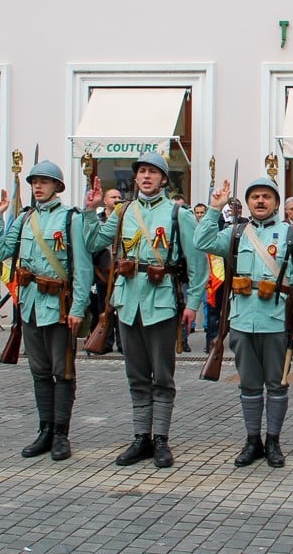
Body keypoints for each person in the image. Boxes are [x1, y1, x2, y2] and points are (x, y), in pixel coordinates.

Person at [84, 152, 208, 468]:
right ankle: (141, 437)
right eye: (142, 172)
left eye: (153, 172)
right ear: (136, 178)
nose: (147, 177)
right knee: (136, 374)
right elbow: (94, 241)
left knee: (163, 376)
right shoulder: (123, 212)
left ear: (164, 179)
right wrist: (90, 210)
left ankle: (162, 439)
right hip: (128, 302)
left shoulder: (177, 214)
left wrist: (193, 304)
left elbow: (197, 265)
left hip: (162, 302)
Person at [195, 177, 293, 468]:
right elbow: (202, 242)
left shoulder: (291, 236)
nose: (260, 201)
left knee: (277, 385)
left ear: (276, 202)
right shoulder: (236, 233)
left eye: (266, 196)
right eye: (255, 197)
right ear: (248, 203)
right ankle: (253, 441)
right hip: (241, 322)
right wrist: (215, 209)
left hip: (276, 323)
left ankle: (273, 441)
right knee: (249, 386)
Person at [0, 160, 93, 461]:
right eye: (34, 181)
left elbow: (82, 268)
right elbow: (0, 253)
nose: (37, 186)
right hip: (30, 306)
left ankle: (61, 433)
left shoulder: (70, 219)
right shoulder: (23, 219)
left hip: (60, 308)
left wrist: (78, 307)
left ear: (57, 187)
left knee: (62, 371)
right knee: (38, 372)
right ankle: (45, 430)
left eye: (44, 182)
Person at [88, 188, 123, 353]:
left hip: (122, 272)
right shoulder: (98, 220)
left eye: (119, 197)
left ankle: (123, 343)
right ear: (105, 201)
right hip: (103, 272)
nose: (117, 199)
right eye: (113, 197)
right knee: (104, 309)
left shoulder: (125, 219)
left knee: (122, 309)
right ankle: (104, 342)